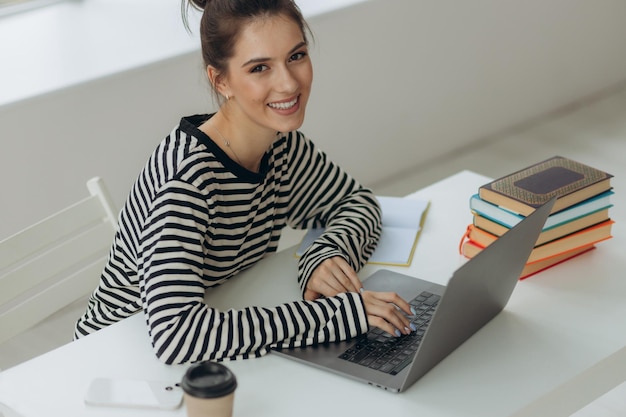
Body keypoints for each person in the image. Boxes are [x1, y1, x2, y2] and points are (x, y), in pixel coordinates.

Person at [74, 0, 415, 365]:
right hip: (119, 357)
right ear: (221, 81)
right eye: (259, 67)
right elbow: (176, 334)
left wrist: (326, 255)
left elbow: (355, 202)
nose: (287, 83)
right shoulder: (187, 180)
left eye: (296, 56)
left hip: (215, 334)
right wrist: (341, 315)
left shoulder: (281, 145)